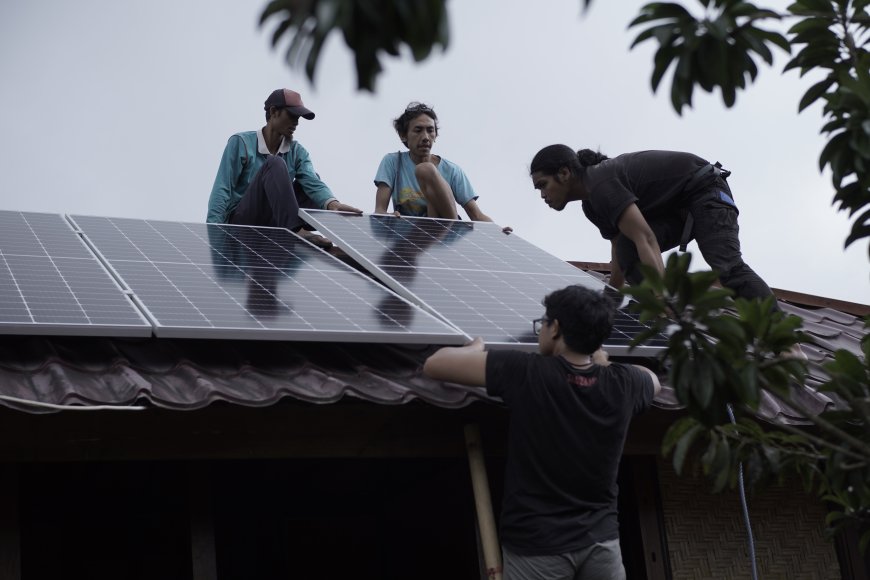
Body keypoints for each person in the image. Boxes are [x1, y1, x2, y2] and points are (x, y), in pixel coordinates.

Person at [423, 285, 660, 580]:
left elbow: (435, 364)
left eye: (543, 323)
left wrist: (473, 348)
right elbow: (653, 380)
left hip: (537, 546)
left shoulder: (527, 372)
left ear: (556, 328)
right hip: (602, 544)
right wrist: (603, 363)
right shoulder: (624, 384)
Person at [529, 145, 777, 303]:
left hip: (706, 191)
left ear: (564, 173)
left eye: (543, 185)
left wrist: (662, 297)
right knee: (628, 249)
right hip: (677, 207)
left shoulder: (601, 183)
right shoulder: (591, 205)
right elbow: (619, 246)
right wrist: (612, 294)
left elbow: (646, 238)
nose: (542, 195)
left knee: (726, 267)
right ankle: (659, 312)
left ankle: (789, 347)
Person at [207, 88, 361, 248]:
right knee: (274, 164)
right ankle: (296, 231)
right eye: (292, 116)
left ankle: (325, 229)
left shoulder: (297, 151)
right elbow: (221, 190)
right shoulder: (241, 143)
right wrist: (215, 238)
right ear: (274, 111)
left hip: (275, 220)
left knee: (310, 180)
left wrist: (333, 204)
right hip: (243, 221)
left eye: (298, 117)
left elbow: (312, 182)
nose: (296, 122)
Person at [374, 102, 494, 221]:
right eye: (418, 130)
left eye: (430, 130)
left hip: (445, 230)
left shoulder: (452, 170)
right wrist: (388, 217)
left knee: (425, 170)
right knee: (424, 170)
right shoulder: (393, 162)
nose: (426, 137)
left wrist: (498, 233)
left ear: (435, 135)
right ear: (403, 135)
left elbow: (476, 215)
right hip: (410, 235)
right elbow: (380, 210)